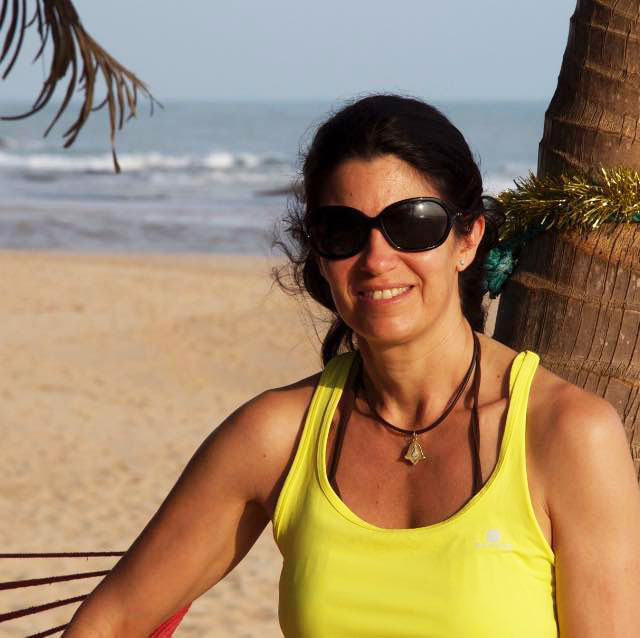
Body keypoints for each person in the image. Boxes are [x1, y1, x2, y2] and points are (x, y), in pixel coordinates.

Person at [62, 95, 640, 637]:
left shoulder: (567, 434)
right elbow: (109, 623)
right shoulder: (277, 436)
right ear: (319, 254)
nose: (377, 259)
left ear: (467, 240)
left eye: (412, 223)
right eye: (343, 231)